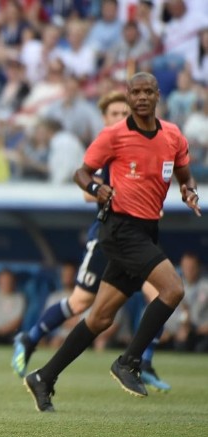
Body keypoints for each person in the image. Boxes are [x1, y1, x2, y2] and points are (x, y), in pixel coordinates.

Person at [24, 73, 200, 413]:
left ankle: (44, 377)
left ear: (157, 95)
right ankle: (129, 362)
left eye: (149, 91)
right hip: (120, 229)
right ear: (129, 97)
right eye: (136, 92)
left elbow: (183, 170)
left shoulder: (173, 135)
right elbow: (82, 173)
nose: (143, 97)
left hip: (147, 230)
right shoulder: (114, 135)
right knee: (173, 290)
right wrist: (96, 189)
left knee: (100, 318)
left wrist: (188, 189)